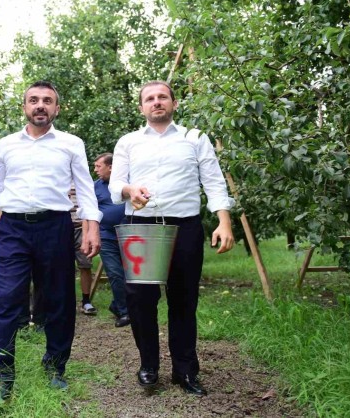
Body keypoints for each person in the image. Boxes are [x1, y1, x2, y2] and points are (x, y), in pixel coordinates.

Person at [0, 80, 101, 400]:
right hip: (12, 229)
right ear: (24, 107)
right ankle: (2, 375)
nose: (40, 105)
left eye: (47, 100)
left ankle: (55, 367)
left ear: (57, 108)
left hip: (55, 226)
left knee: (58, 300)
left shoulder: (71, 143)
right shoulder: (7, 144)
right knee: (4, 300)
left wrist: (91, 225)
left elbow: (85, 189)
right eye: (33, 100)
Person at [109, 81, 235, 395]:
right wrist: (129, 190)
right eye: (149, 98)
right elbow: (115, 187)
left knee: (183, 300)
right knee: (140, 300)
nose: (156, 102)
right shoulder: (129, 142)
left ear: (174, 103)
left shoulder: (195, 139)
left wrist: (224, 222)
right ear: (141, 107)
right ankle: (149, 364)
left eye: (162, 97)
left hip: (185, 228)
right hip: (142, 227)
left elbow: (214, 182)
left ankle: (185, 371)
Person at [92, 152, 129, 327]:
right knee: (115, 273)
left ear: (111, 167)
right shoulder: (95, 187)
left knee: (129, 274)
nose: (95, 170)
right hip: (106, 235)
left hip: (129, 235)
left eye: (99, 166)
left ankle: (116, 305)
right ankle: (124, 312)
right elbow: (90, 213)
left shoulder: (127, 183)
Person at [69, 186, 97, 315]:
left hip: (81, 227)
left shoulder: (80, 181)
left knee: (85, 265)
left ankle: (86, 301)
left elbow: (88, 204)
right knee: (60, 267)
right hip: (61, 227)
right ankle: (65, 301)